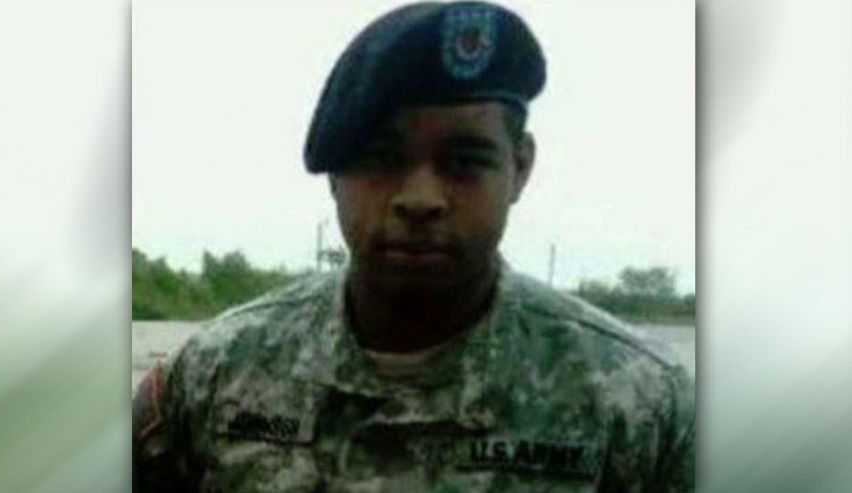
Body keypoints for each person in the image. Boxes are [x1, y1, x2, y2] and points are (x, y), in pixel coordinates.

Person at [132, 2, 695, 491]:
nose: (421, 199)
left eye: (464, 161)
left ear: (519, 168)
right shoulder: (215, 375)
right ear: (334, 177)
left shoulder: (639, 405)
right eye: (382, 158)